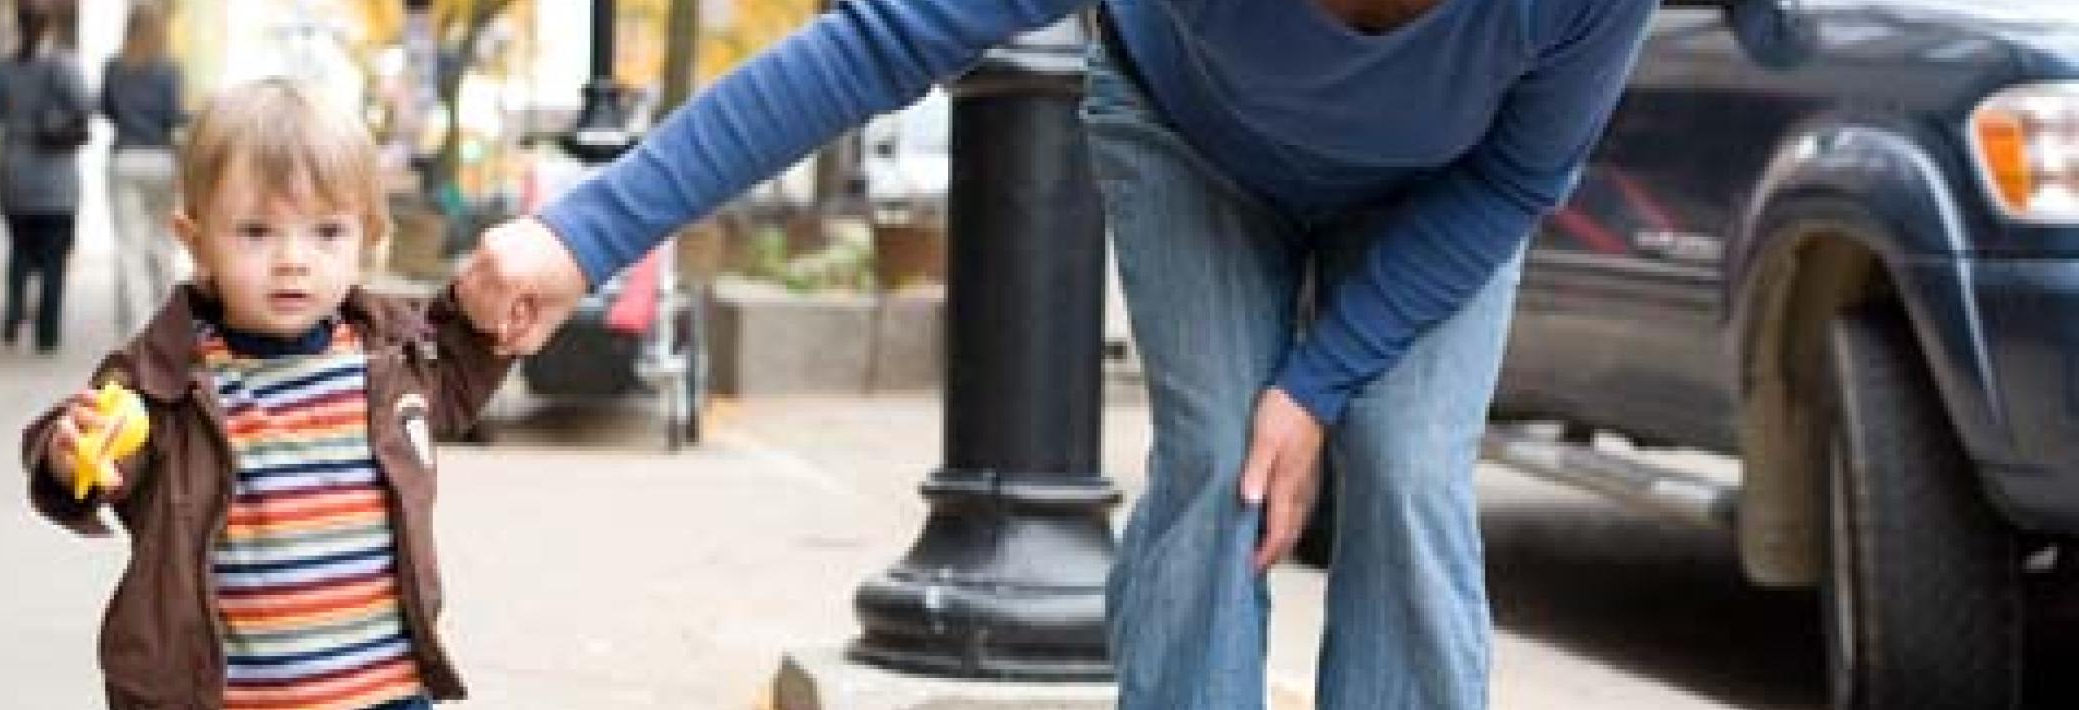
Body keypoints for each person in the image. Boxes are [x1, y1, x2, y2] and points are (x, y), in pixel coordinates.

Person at [452, 0, 1653, 707]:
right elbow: (882, 37)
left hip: (1449, 190)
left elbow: (1517, 174)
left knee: (1405, 467)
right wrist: (584, 232)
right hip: (1193, 141)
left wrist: (1321, 381)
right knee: (1220, 462)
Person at [16, 79, 511, 710]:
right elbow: (98, 449)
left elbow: (466, 368)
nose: (292, 260)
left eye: (326, 232)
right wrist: (73, 455)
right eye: (256, 232)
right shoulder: (169, 378)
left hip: (387, 693)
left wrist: (501, 313)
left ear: (369, 235)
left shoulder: (391, 358)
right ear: (196, 243)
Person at [0, 3, 91, 354]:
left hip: (16, 174)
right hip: (56, 182)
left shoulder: (3, 70)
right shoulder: (64, 66)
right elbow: (86, 108)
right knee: (54, 259)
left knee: (20, 252)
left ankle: (13, 317)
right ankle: (47, 334)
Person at [99, 1, 189, 335]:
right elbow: (176, 118)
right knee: (162, 243)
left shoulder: (114, 66)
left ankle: (138, 329)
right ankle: (167, 323)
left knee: (129, 246)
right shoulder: (169, 69)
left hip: (125, 158)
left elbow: (106, 109)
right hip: (161, 160)